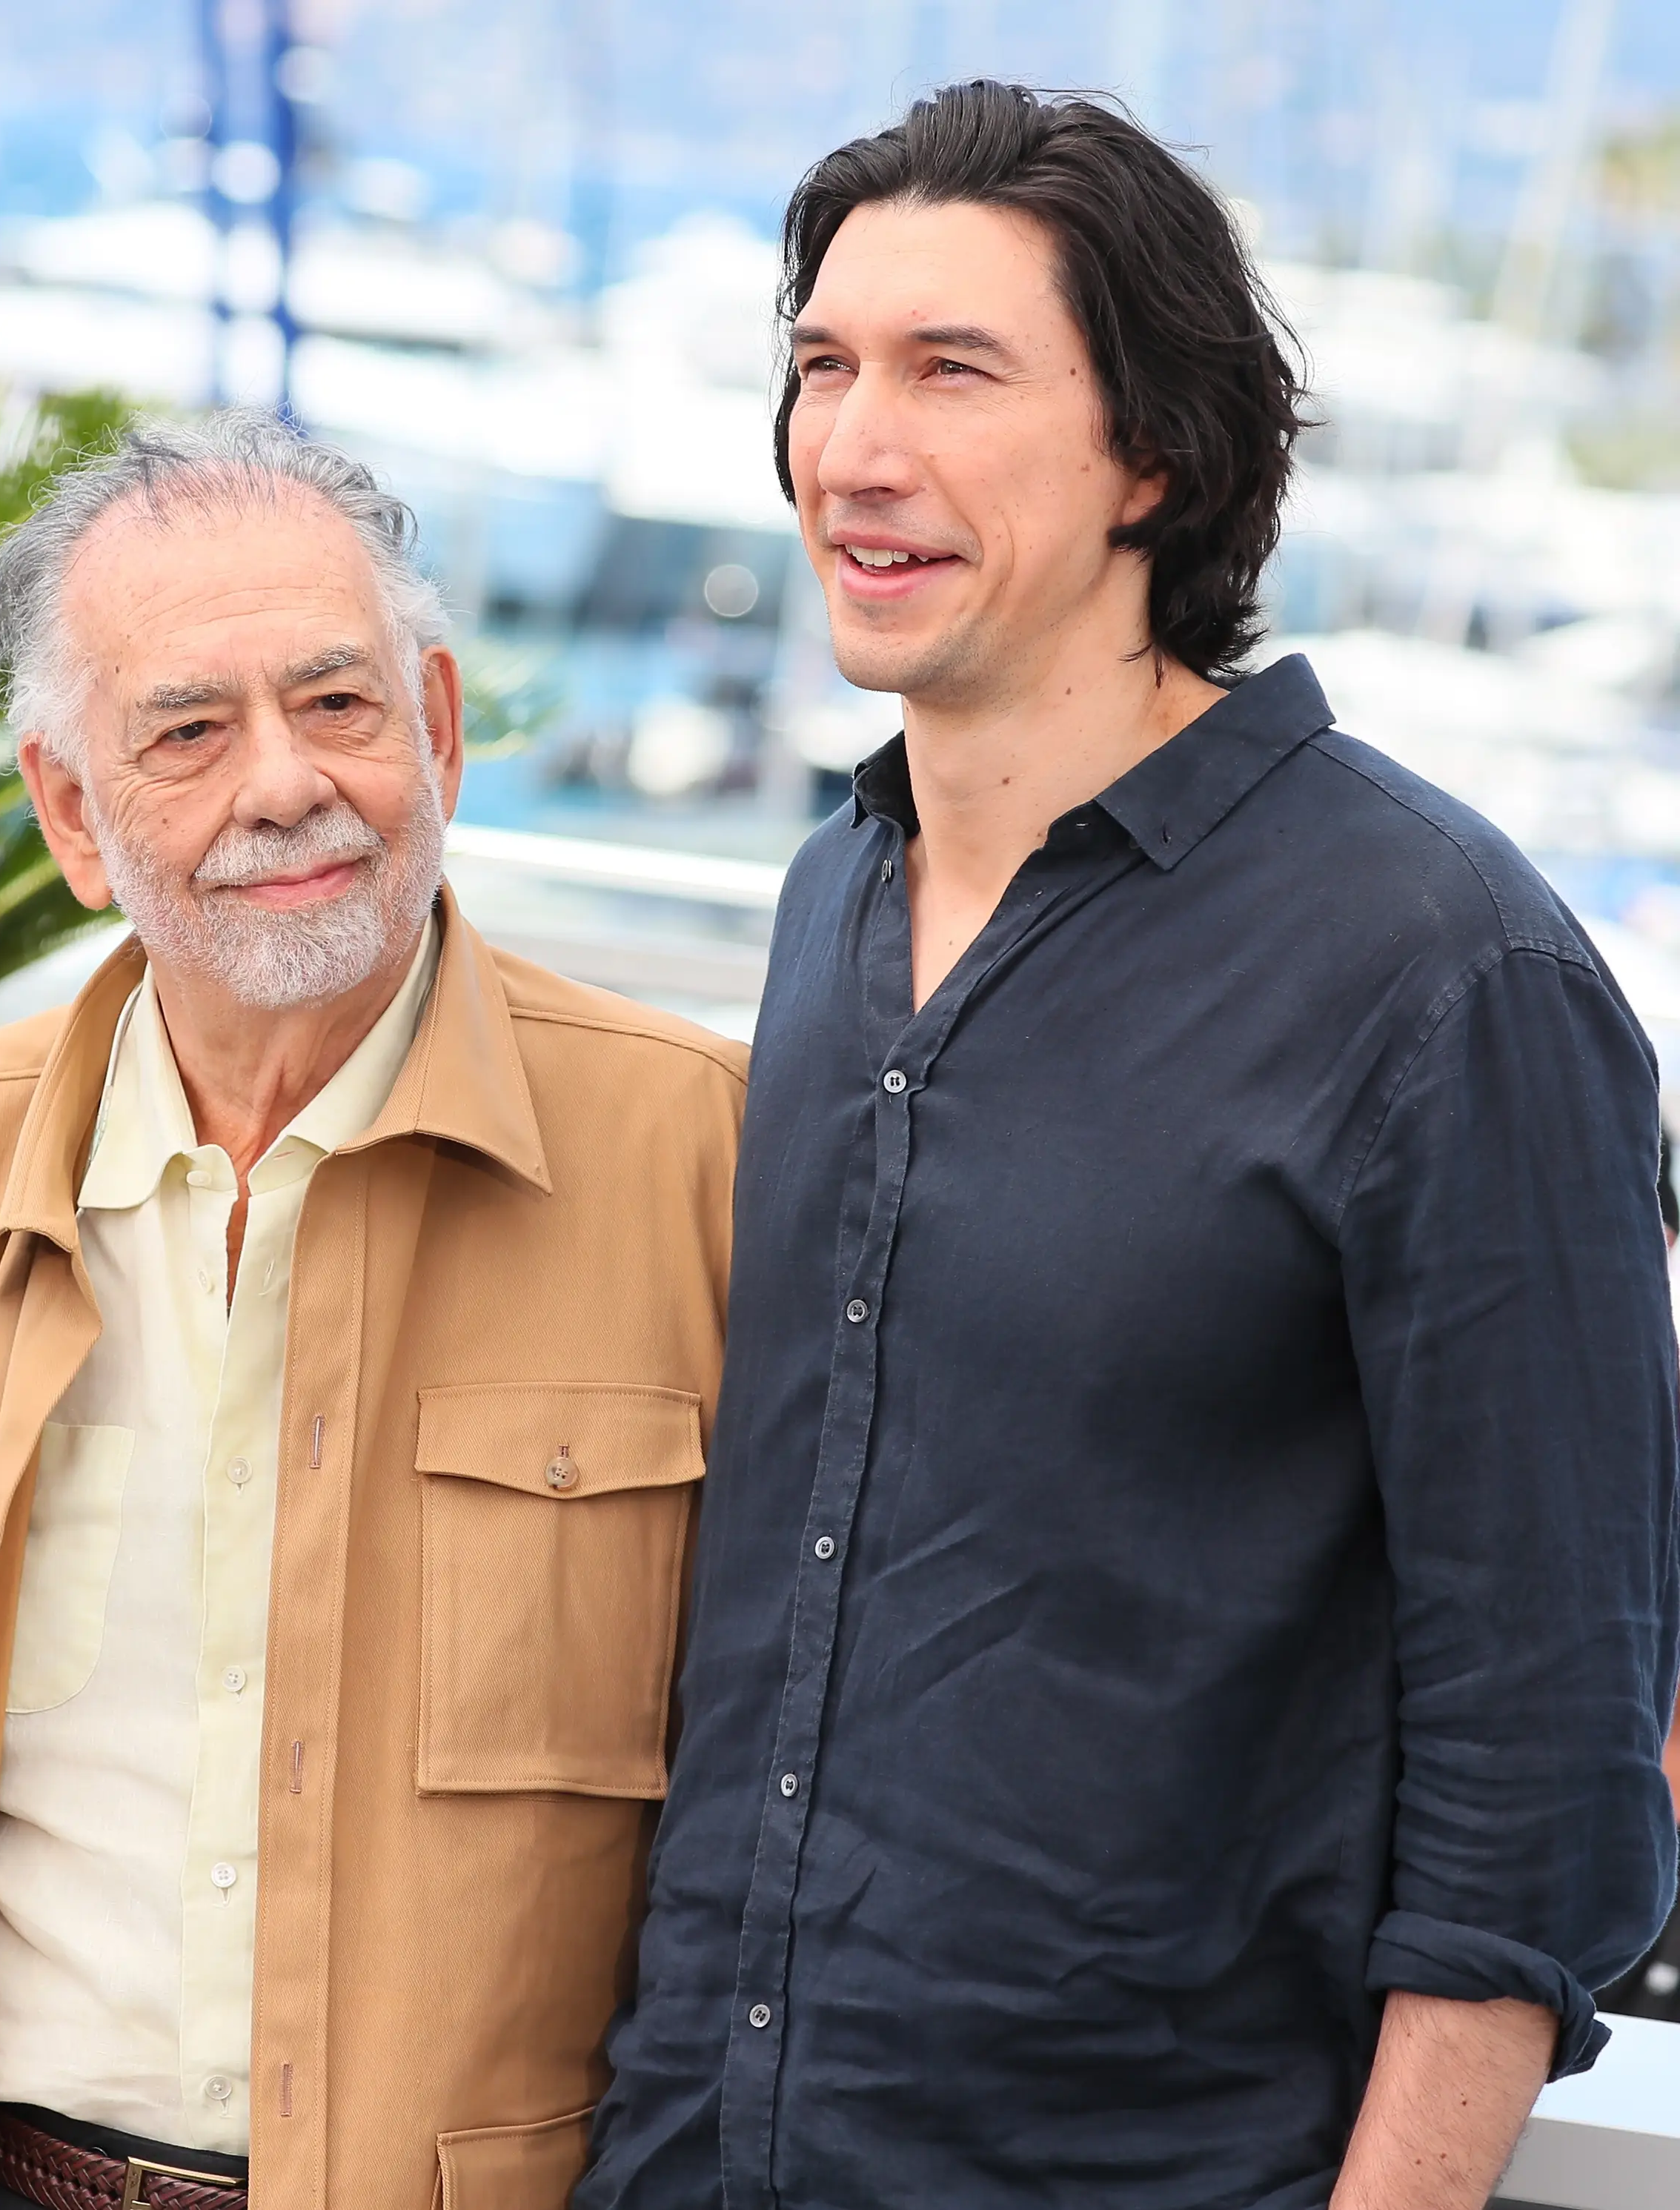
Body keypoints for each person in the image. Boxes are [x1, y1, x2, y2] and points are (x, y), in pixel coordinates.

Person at [579, 81, 1678, 2210]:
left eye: (952, 370)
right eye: (823, 366)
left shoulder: (1450, 975)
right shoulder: (831, 897)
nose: (854, 447)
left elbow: (1540, 1787)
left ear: (1156, 452)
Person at [0, 414, 748, 2210]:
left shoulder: (708, 1159)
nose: (285, 784)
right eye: (188, 734)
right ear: (73, 813)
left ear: (440, 729)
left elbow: (791, 1846)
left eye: (340, 706)